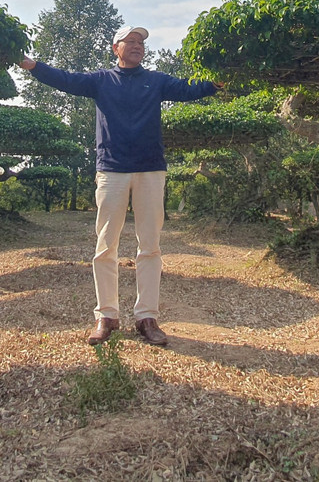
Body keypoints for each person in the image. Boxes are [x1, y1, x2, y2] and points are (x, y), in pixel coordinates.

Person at [19, 25, 219, 346]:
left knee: (150, 246)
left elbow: (187, 89)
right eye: (131, 41)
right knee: (105, 246)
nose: (138, 45)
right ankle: (106, 316)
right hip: (111, 171)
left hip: (151, 171)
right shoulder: (101, 81)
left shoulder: (156, 81)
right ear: (116, 48)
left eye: (141, 42)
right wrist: (32, 66)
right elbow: (67, 79)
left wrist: (216, 82)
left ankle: (147, 318)